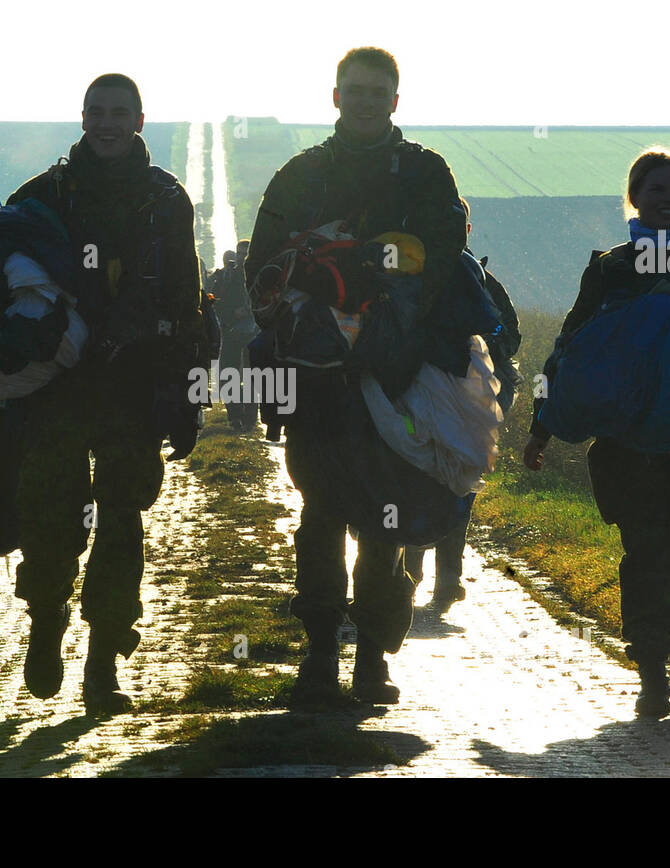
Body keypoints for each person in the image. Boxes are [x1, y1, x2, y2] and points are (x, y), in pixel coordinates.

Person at [245, 47, 470, 705]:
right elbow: (262, 268)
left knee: (383, 520)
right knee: (319, 513)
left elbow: (443, 263)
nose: (366, 101)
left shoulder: (425, 174)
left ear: (395, 101)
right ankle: (319, 654)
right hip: (314, 380)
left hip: (395, 377)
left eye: (378, 92)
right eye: (355, 90)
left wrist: (385, 320)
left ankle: (371, 657)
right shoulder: (300, 175)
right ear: (335, 97)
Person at [5, 73, 206, 716]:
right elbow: (0, 279)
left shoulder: (166, 203)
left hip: (133, 389)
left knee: (121, 517)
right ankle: (46, 621)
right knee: (50, 513)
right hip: (57, 389)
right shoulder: (43, 196)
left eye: (121, 113)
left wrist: (185, 395)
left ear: (140, 119)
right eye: (99, 113)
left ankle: (101, 663)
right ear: (83, 117)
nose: (109, 124)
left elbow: (186, 301)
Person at [522, 147, 670, 718]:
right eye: (657, 190)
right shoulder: (610, 269)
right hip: (630, 449)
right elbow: (571, 348)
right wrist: (541, 427)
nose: (668, 200)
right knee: (646, 556)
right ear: (634, 198)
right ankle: (651, 671)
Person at [404, 197, 521, 612]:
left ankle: (428, 573)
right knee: (452, 484)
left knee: (439, 481)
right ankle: (429, 574)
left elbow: (507, 338)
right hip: (455, 402)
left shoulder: (473, 279)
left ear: (466, 231)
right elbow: (510, 339)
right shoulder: (479, 279)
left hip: (454, 400)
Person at [209, 241, 258, 431]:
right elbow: (216, 304)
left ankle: (250, 418)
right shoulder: (226, 277)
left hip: (254, 333)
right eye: (240, 254)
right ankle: (235, 416)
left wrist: (249, 310)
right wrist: (232, 314)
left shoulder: (261, 276)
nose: (242, 258)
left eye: (246, 254)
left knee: (252, 376)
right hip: (231, 332)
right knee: (229, 376)